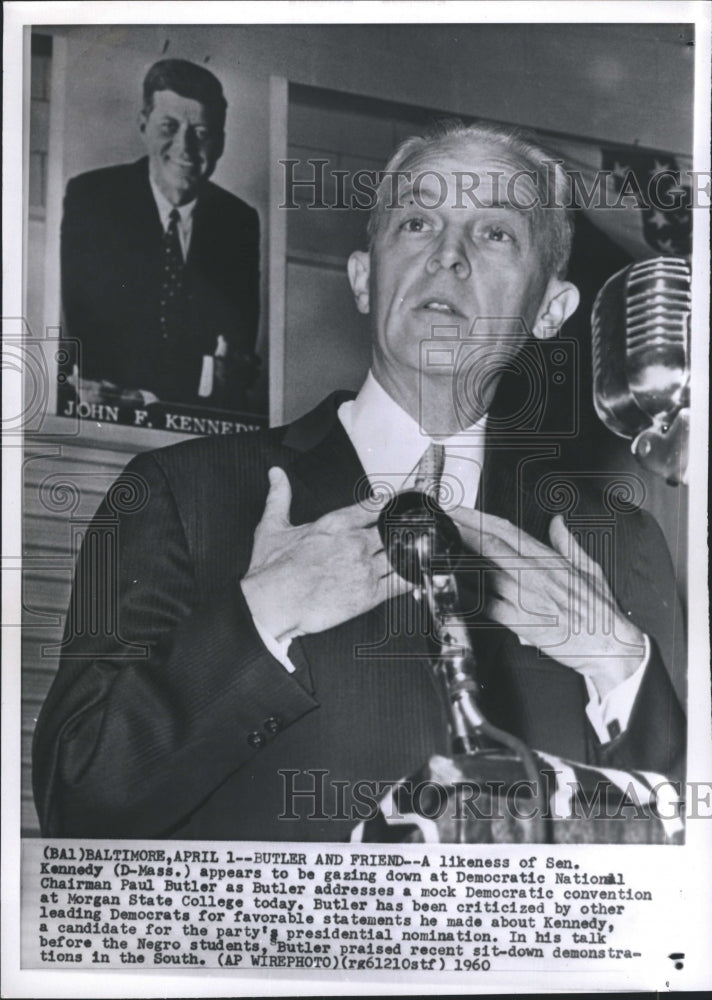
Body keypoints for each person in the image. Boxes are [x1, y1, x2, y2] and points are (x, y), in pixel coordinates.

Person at [33, 120, 686, 841]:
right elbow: (77, 800)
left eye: (495, 233)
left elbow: (680, 874)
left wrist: (616, 661)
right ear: (363, 278)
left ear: (551, 311)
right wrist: (264, 613)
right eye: (416, 222)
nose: (448, 256)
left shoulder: (619, 545)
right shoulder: (178, 493)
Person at [59, 58, 260, 410]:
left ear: (221, 143)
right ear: (144, 124)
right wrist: (204, 372)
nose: (185, 148)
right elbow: (91, 345)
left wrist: (139, 389)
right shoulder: (92, 198)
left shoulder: (238, 222)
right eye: (169, 126)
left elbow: (237, 366)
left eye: (200, 133)